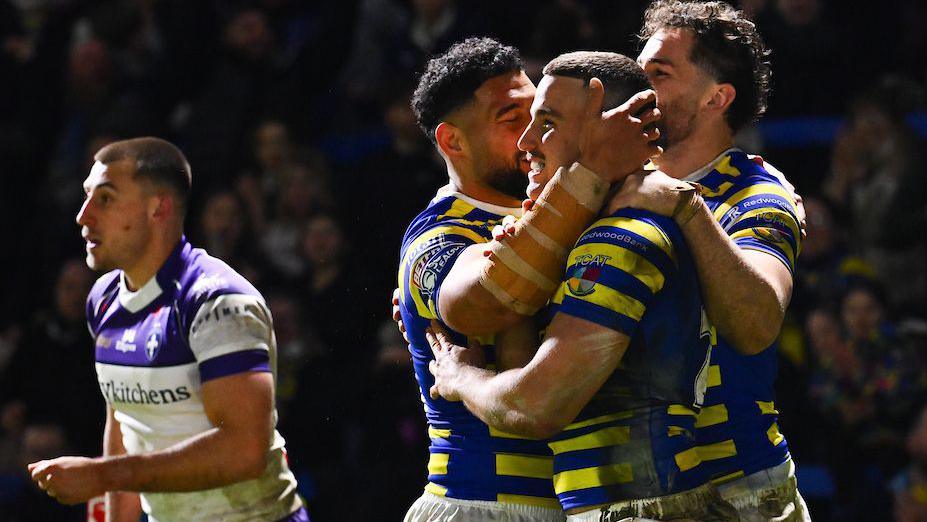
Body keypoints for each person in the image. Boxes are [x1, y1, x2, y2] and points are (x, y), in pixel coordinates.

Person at [427, 51, 737, 521]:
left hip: (647, 509)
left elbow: (536, 407)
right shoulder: (588, 230)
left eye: (546, 123)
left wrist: (461, 379)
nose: (526, 142)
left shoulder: (623, 236)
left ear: (612, 127)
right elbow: (516, 355)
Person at [396, 38, 660, 521]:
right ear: (453, 141)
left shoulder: (576, 208)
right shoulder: (438, 235)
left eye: (542, 117)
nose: (529, 139)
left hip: (583, 501)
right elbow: (491, 298)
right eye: (512, 119)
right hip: (483, 502)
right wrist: (592, 168)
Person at [27, 137, 308, 521]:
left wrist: (100, 475)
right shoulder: (104, 299)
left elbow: (245, 451)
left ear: (159, 208)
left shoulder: (218, 303)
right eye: (86, 196)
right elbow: (124, 424)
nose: (84, 215)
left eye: (105, 199)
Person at [604, 1, 808, 519]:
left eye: (659, 74)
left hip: (739, 490)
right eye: (639, 69)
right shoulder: (609, 180)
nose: (637, 86)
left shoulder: (757, 193)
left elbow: (757, 323)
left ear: (717, 97)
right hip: (630, 490)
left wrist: (684, 206)